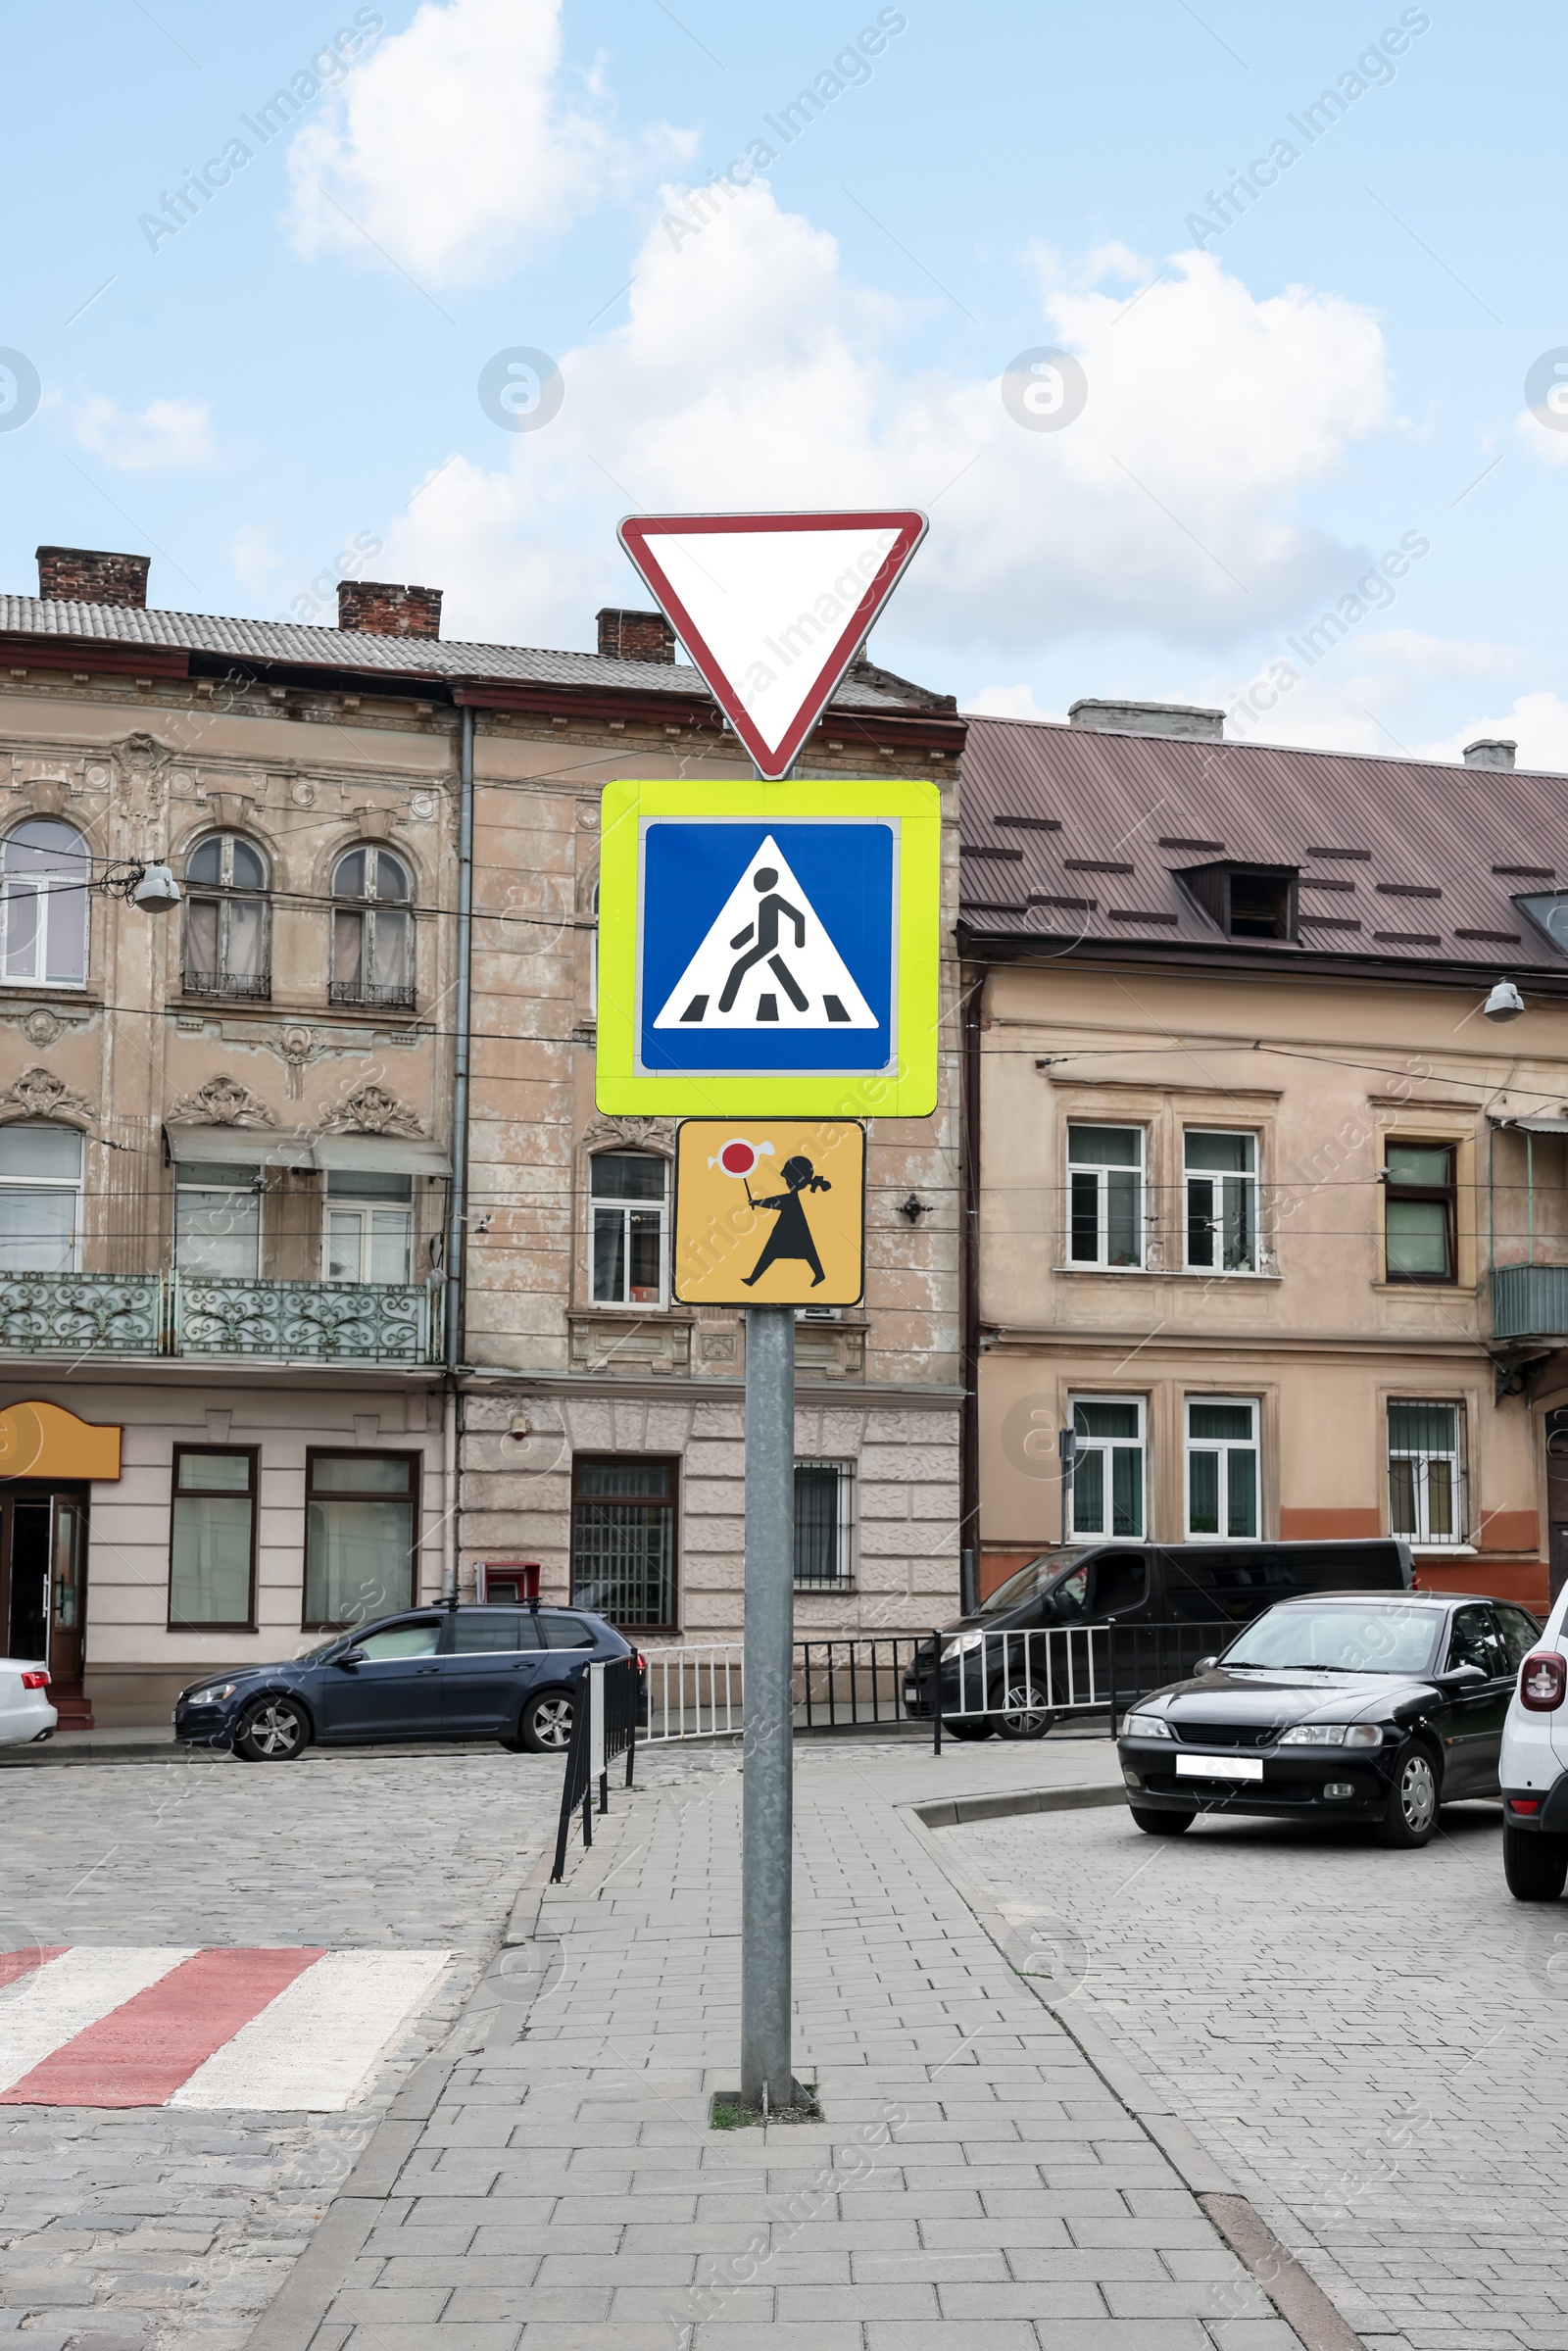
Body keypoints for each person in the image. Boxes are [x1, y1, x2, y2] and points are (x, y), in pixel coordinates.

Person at [718, 866, 808, 1013]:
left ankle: (724, 1007)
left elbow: (798, 917)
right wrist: (738, 941)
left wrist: (799, 940)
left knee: (738, 968)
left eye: (759, 881)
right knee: (780, 970)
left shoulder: (774, 899)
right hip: (765, 944)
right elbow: (759, 926)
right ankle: (802, 1005)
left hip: (768, 944)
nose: (756, 884)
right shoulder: (764, 902)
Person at [743, 1155, 830, 1287]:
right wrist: (757, 1202)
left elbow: (775, 1202)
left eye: (787, 1178)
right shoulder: (792, 1197)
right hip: (792, 1227)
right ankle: (752, 1279)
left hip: (789, 1228)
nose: (785, 1181)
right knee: (806, 1251)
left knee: (772, 1250)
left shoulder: (791, 1199)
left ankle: (752, 1280)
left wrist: (757, 1202)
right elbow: (776, 1201)